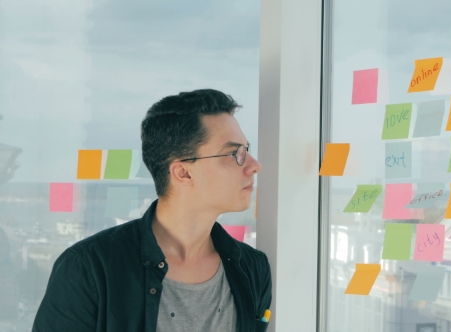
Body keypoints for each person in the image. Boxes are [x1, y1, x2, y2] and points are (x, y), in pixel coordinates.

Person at [33, 89, 272, 332]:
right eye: (234, 154)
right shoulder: (89, 268)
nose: (254, 165)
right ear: (183, 172)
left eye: (246, 149)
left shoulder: (252, 268)